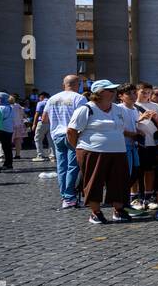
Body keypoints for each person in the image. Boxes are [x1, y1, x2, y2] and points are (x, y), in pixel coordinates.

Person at [66, 80, 136, 224]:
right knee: (94, 181)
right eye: (109, 90)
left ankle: (119, 210)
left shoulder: (118, 109)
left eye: (113, 90)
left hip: (118, 151)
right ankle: (95, 212)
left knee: (119, 181)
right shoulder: (86, 109)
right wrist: (79, 148)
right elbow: (71, 131)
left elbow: (121, 129)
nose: (113, 92)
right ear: (99, 92)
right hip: (92, 151)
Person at [44, 75, 87, 209]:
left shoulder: (52, 98)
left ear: (64, 85)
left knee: (61, 167)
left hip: (56, 134)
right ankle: (69, 197)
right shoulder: (79, 98)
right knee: (73, 166)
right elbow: (84, 118)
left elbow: (44, 118)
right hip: (72, 134)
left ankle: (65, 196)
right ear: (78, 85)